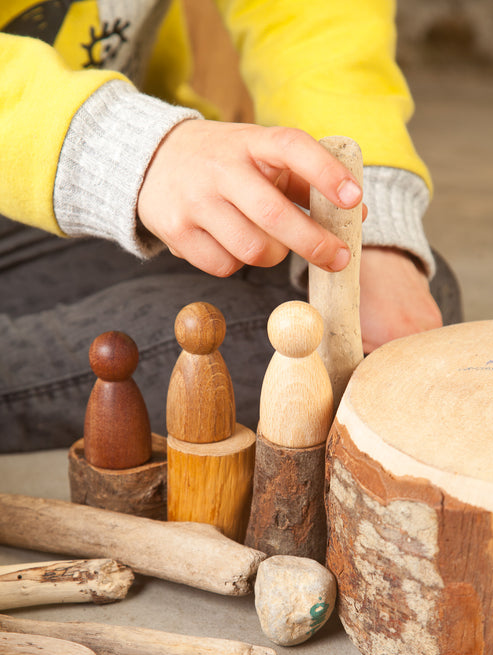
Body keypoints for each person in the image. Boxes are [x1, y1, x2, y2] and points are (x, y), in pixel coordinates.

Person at [0, 0, 461, 452]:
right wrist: (128, 149)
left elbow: (311, 16)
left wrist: (365, 216)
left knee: (409, 312)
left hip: (89, 189)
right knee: (264, 358)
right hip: (76, 156)